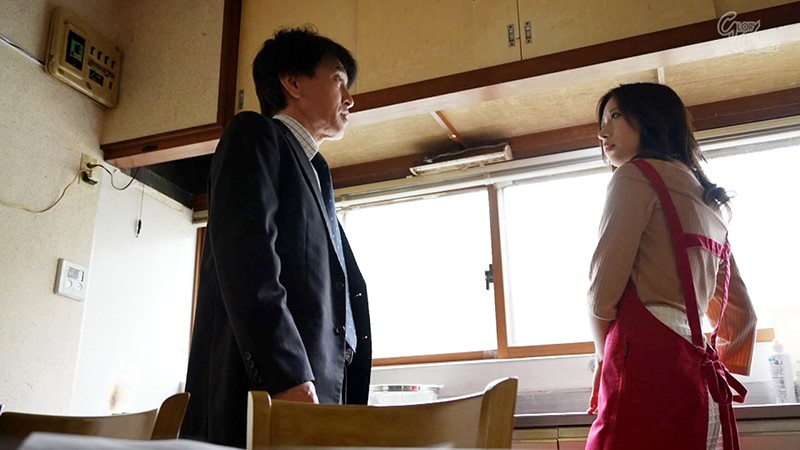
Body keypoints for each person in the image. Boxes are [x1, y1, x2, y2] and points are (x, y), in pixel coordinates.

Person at [181, 27, 371, 448]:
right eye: (339, 80)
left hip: (314, 395)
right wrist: (286, 375)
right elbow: (248, 261)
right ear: (293, 82)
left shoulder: (316, 173)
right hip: (267, 395)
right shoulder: (255, 134)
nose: (349, 98)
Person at [584, 82, 757, 450]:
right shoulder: (708, 200)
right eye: (602, 122)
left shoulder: (633, 176)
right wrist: (708, 371)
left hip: (643, 364)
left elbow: (602, 293)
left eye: (615, 116)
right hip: (696, 374)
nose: (602, 133)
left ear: (650, 118)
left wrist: (605, 359)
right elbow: (741, 318)